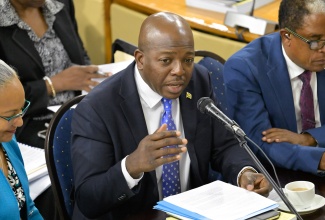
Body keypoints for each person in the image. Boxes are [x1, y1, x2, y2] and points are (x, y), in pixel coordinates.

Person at [71, 12, 272, 219]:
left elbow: (225, 145)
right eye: (166, 60)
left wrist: (244, 173)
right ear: (140, 59)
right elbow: (87, 199)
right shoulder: (97, 108)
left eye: (188, 59)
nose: (180, 71)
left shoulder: (199, 82)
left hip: (194, 211)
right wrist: (131, 166)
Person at [224, 0, 325, 176]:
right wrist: (319, 159)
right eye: (315, 42)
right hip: (276, 175)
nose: (324, 49)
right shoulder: (245, 68)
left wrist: (309, 138)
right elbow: (258, 143)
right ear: (287, 36)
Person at [0, 0, 109, 149]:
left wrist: (94, 76)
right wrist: (53, 84)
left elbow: (80, 54)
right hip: (28, 121)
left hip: (80, 107)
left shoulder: (60, 3)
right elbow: (5, 101)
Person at [0, 60, 43, 219]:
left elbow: (27, 209)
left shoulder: (7, 141)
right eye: (10, 115)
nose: (20, 122)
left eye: (21, 109)